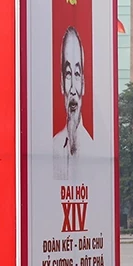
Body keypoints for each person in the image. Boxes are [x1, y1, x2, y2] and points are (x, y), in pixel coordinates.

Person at [53, 27, 92, 180]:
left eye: (77, 74)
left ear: (83, 83)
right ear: (62, 83)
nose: (73, 90)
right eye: (68, 74)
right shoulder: (53, 148)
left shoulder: (95, 150)